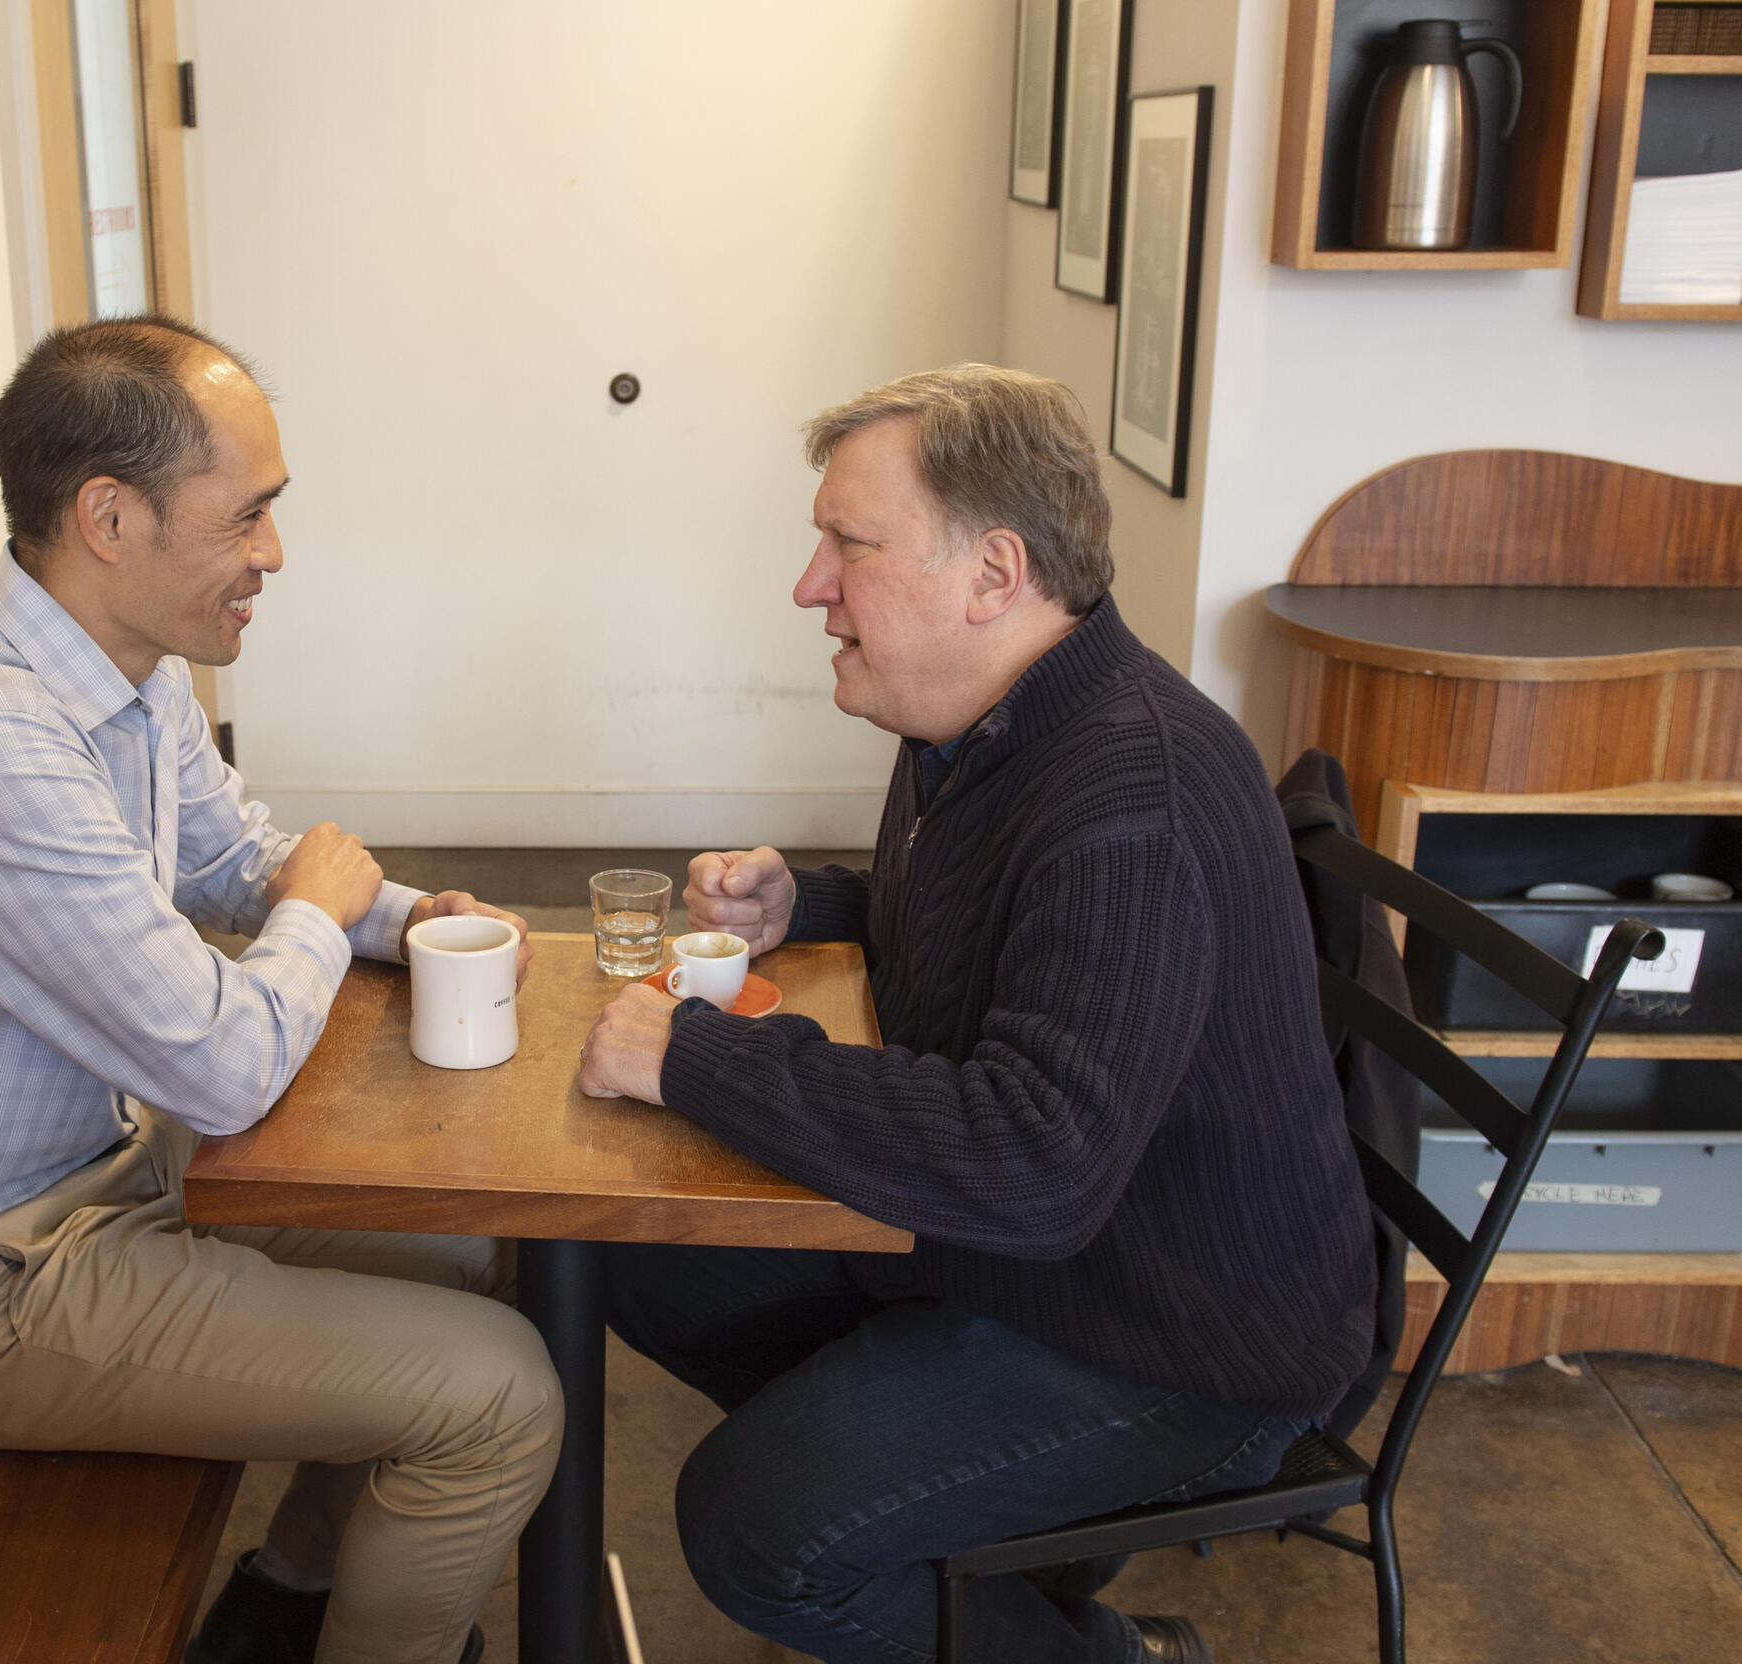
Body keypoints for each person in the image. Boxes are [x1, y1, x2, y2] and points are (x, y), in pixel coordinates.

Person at [575, 366, 1375, 1664]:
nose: (810, 585)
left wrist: (702, 1059)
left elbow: (1032, 1160)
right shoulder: (979, 719)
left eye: (849, 545)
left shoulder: (1135, 802)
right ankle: (956, 1541)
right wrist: (815, 902)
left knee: (753, 1527)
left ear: (994, 575)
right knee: (630, 1247)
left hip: (1176, 1340)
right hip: (1036, 1260)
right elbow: (993, 939)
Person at [0, 314, 561, 1664]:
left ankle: (282, 1606)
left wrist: (408, 921)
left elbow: (229, 860)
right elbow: (220, 1067)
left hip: (112, 1187)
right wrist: (317, 915)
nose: (275, 552)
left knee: (482, 1256)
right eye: (246, 515)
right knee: (499, 1398)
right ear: (109, 518)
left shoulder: (124, 669)